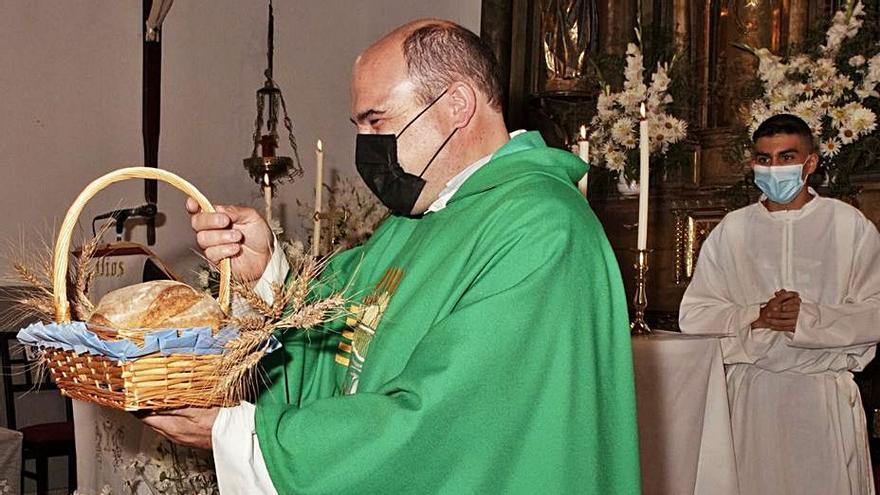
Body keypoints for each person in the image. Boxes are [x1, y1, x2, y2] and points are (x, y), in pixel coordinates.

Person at [143, 19, 640, 494]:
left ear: (457, 106)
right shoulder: (412, 223)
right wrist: (267, 270)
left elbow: (450, 424)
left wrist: (243, 437)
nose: (365, 146)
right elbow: (338, 340)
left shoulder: (542, 230)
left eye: (377, 120)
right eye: (359, 124)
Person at [679, 113, 880, 495]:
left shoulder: (847, 225)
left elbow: (875, 309)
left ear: (811, 162)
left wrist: (809, 319)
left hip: (821, 398)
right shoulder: (732, 231)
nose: (774, 168)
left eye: (787, 157)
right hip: (752, 398)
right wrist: (757, 317)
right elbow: (695, 316)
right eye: (764, 158)